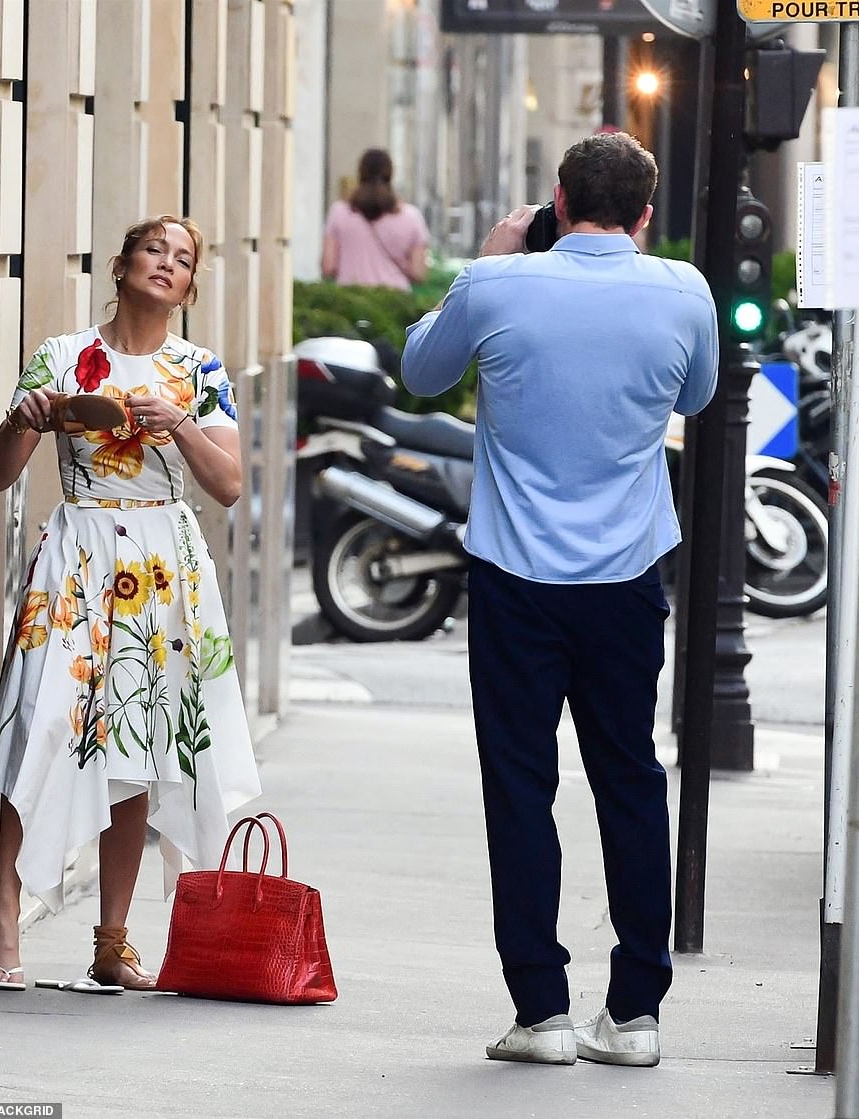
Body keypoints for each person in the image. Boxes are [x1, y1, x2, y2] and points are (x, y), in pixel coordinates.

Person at [401, 133, 718, 1067]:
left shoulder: (500, 284)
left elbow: (419, 371)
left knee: (519, 788)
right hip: (624, 578)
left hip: (515, 580)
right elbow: (695, 396)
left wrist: (489, 261)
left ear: (556, 198)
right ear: (646, 212)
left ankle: (541, 1012)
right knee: (630, 781)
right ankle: (636, 1014)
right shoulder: (684, 291)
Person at [0, 215, 261, 992]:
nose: (165, 263)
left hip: (165, 568)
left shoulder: (199, 370)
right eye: (152, 249)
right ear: (121, 263)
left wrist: (179, 431)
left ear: (191, 286)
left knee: (141, 744)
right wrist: (24, 417)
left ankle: (112, 938)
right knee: (36, 726)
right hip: (77, 553)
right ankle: (4, 919)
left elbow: (230, 486)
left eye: (182, 258)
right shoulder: (64, 356)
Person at [321, 148, 430, 291]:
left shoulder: (339, 212)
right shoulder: (411, 216)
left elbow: (328, 266)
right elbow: (418, 273)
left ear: (360, 173)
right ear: (390, 174)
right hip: (395, 299)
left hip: (349, 301)